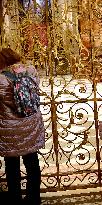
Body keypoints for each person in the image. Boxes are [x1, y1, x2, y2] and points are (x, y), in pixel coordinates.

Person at [0, 48, 45, 205]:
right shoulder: (30, 71)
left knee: (12, 166)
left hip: (9, 128)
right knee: (32, 162)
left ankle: (15, 198)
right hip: (31, 123)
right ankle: (34, 197)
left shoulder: (1, 78)